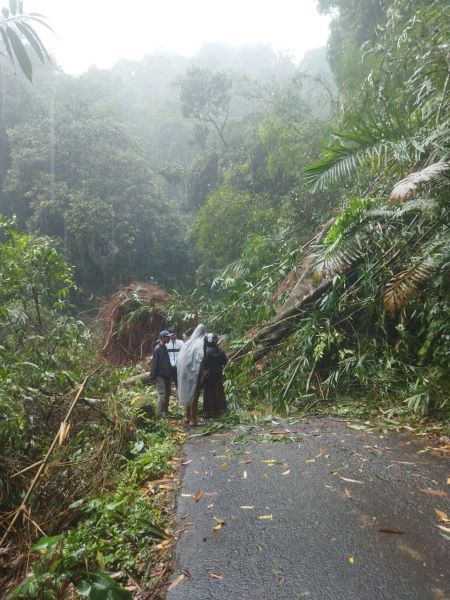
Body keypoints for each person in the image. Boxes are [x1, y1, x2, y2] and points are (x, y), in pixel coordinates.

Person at [177, 324, 206, 426]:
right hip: (194, 373)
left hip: (184, 373)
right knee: (195, 396)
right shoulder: (199, 343)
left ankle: (188, 417)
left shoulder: (187, 344)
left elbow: (180, 359)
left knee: (187, 394)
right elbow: (200, 360)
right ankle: (193, 420)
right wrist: (202, 375)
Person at [202, 333, 227, 418]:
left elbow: (203, 364)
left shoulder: (205, 351)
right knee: (218, 392)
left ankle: (209, 412)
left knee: (209, 394)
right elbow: (225, 361)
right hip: (218, 375)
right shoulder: (220, 350)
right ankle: (220, 411)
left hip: (208, 376)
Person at [150, 330, 171, 416]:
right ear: (162, 338)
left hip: (167, 375)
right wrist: (152, 376)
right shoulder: (157, 349)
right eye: (167, 337)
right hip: (160, 376)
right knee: (162, 395)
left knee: (168, 394)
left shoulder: (165, 347)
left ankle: (165, 412)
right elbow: (154, 363)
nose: (169, 338)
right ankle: (158, 414)